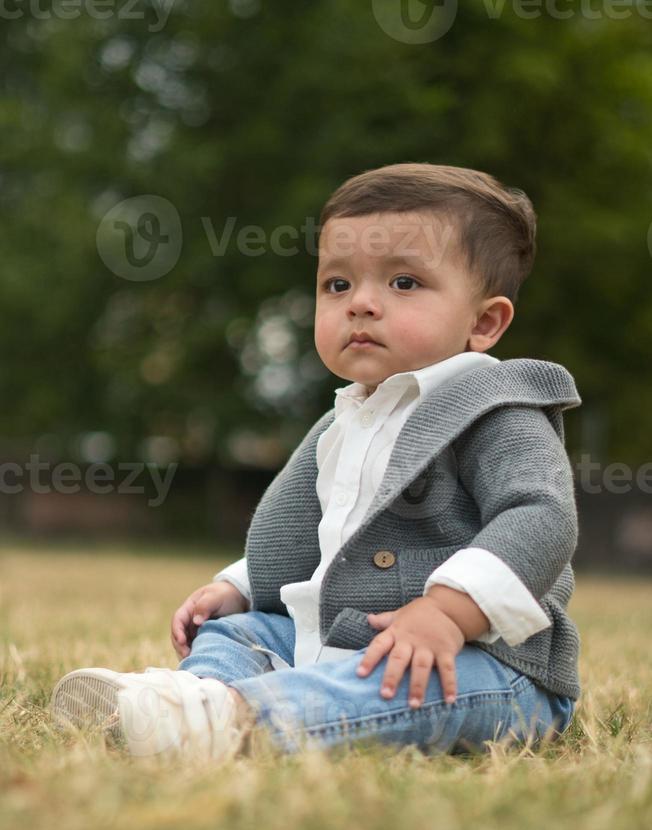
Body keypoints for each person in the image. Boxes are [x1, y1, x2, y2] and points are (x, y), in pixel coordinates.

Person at [50, 162, 582, 764]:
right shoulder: (345, 421)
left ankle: (233, 721)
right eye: (337, 285)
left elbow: (541, 516)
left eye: (403, 283)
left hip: (487, 664)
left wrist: (447, 614)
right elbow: (315, 534)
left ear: (484, 322)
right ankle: (197, 697)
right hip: (343, 641)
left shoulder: (496, 411)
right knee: (241, 631)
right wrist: (240, 585)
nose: (361, 304)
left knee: (407, 685)